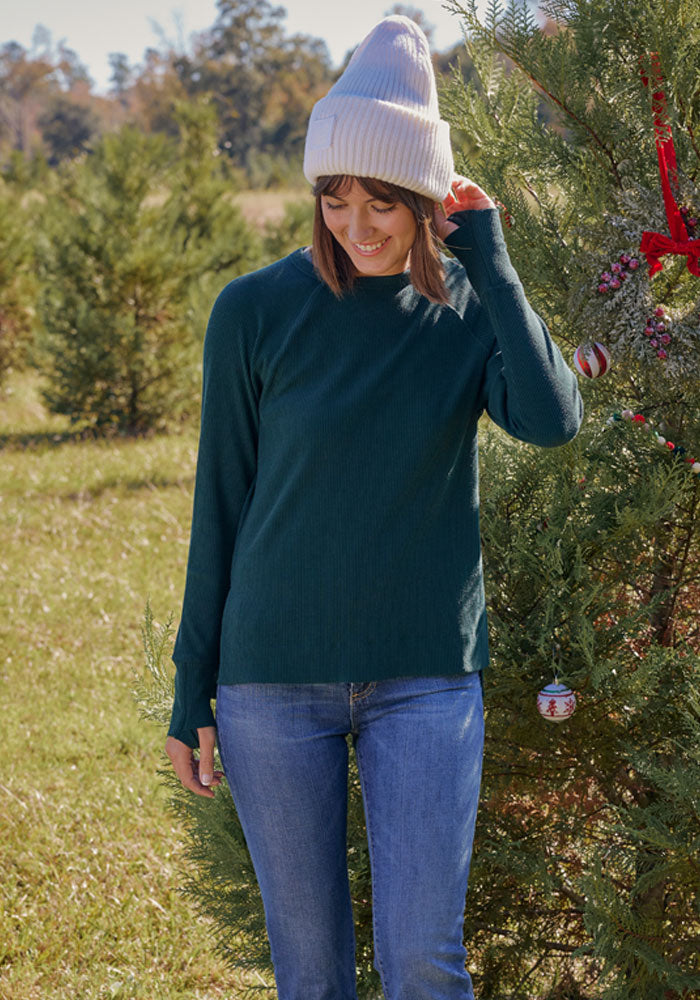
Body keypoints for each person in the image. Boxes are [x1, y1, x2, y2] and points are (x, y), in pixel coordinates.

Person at [165, 15, 583, 1000]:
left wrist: (492, 260)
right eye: (336, 196)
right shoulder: (253, 311)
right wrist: (192, 689)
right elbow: (219, 501)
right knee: (311, 975)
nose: (357, 222)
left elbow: (552, 420)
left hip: (425, 679)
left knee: (424, 964)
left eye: (384, 201)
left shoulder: (468, 308)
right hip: (273, 681)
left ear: (424, 200)